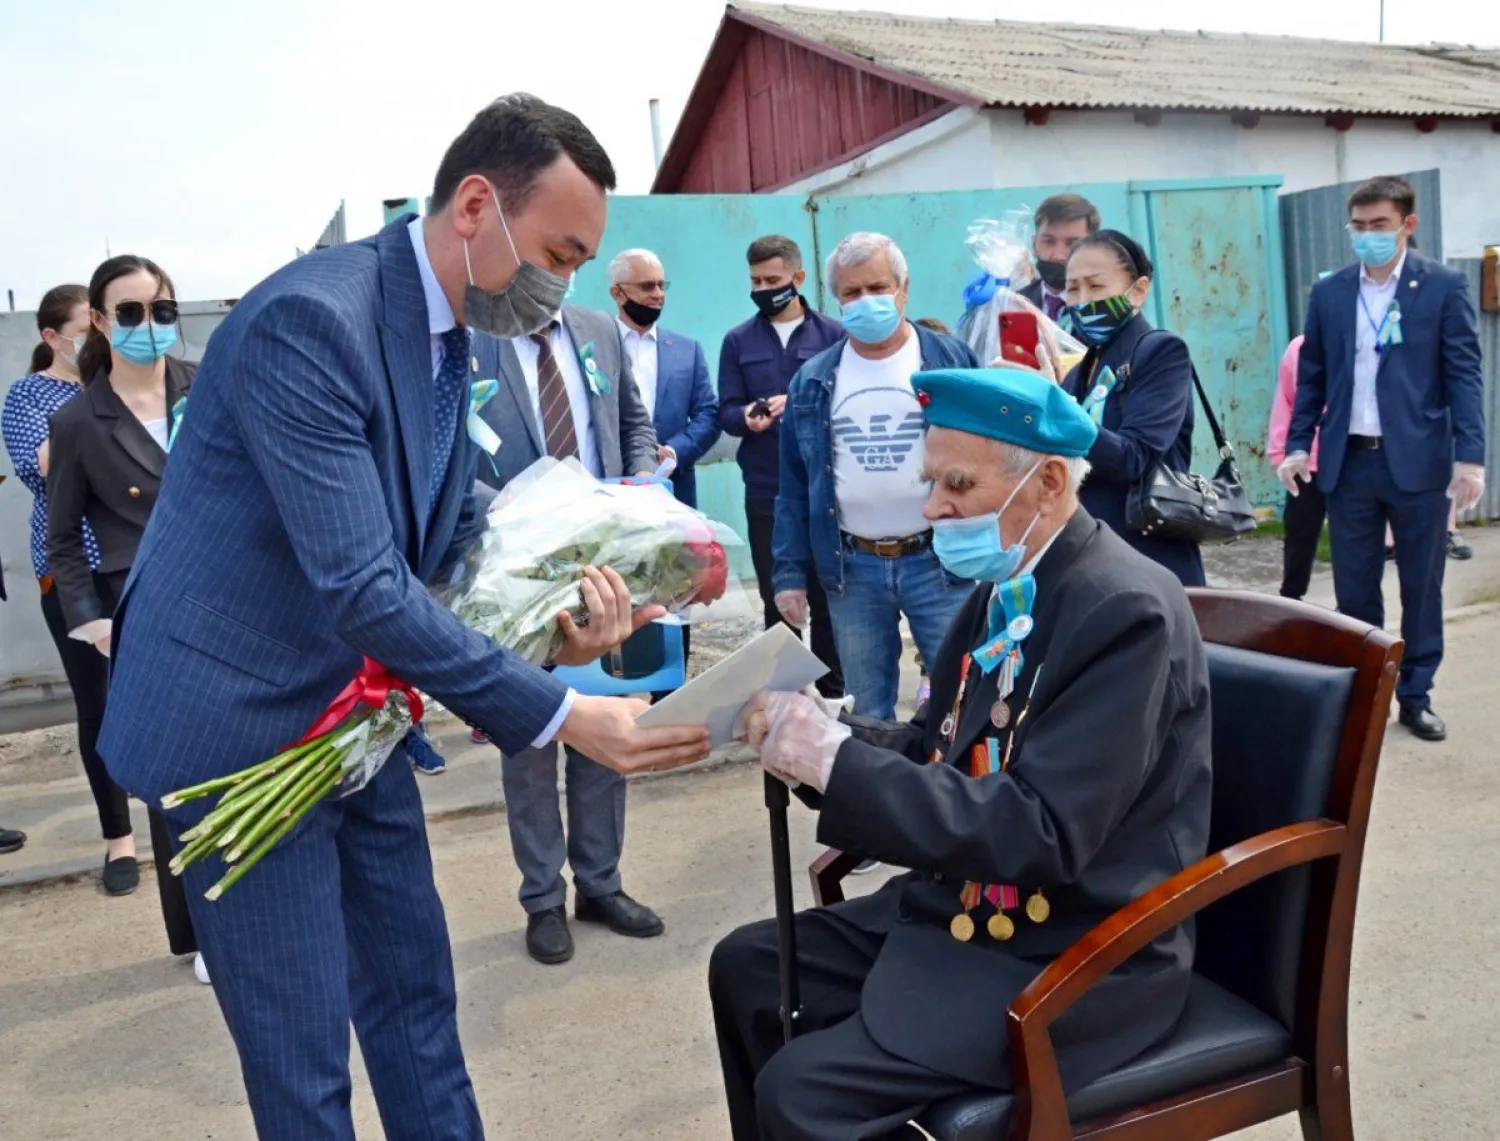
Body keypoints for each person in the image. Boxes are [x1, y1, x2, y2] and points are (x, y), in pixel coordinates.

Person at [96, 95, 711, 1141]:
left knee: (416, 1003)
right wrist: (561, 713)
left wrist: (563, 613)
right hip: (238, 736)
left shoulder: (444, 330)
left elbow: (454, 525)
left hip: (350, 722)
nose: (563, 287)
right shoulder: (313, 322)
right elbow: (365, 585)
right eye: (559, 253)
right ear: (478, 205)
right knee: (303, 1061)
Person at [712, 365, 1212, 1139]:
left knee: (800, 1092)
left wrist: (836, 763)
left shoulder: (1124, 609)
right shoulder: (1008, 586)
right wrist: (826, 733)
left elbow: (1041, 829)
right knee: (746, 967)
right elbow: (934, 747)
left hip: (1074, 946)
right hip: (978, 905)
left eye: (956, 483)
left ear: (1047, 481)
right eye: (930, 481)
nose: (933, 506)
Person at [473, 285, 665, 966]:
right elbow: (450, 459)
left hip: (610, 567)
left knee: (606, 727)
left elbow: (634, 423)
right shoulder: (473, 337)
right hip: (519, 572)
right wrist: (531, 518)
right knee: (528, 736)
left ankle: (601, 883)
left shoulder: (598, 331)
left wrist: (642, 481)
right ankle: (542, 898)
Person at [42, 257, 205, 984]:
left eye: (162, 310)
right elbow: (61, 534)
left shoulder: (207, 385)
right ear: (102, 324)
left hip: (233, 601)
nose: (149, 327)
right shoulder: (79, 419)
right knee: (176, 780)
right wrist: (93, 621)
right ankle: (201, 931)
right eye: (131, 313)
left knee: (246, 759)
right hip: (144, 615)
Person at [1281, 175, 1485, 743]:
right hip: (1351, 465)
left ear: (1407, 225)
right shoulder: (1331, 293)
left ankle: (1415, 696)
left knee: (1422, 585)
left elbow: (1464, 374)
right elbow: (1313, 376)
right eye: (1359, 227)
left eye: (1380, 226)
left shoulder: (1441, 286)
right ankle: (1366, 695)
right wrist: (1299, 444)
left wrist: (1470, 457)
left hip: (1419, 464)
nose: (1368, 236)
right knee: (1354, 591)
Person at [775, 233, 979, 720]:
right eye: (852, 293)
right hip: (853, 569)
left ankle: (960, 795)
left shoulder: (950, 361)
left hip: (941, 562)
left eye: (878, 287)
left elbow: (989, 459)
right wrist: (788, 574)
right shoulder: (813, 381)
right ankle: (883, 797)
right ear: (835, 299)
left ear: (903, 288)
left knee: (964, 698)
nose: (866, 301)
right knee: (866, 709)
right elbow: (793, 487)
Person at [3, 285, 128, 887]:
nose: (98, 337)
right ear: (53, 337)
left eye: (100, 324)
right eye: (87, 327)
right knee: (98, 704)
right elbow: (46, 465)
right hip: (72, 566)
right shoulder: (29, 395)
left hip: (137, 562)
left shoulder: (124, 382)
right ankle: (118, 840)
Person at [718, 234, 844, 699]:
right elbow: (725, 411)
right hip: (768, 491)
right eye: (755, 280)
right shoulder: (738, 341)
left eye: (773, 279)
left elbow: (847, 404)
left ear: (798, 278)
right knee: (780, 602)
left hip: (826, 490)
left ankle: (834, 699)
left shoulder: (835, 336)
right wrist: (749, 418)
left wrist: (804, 405)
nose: (764, 288)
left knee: (831, 597)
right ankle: (788, 700)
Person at [1060, 229, 1205, 586]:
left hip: (1147, 556)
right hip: (1089, 553)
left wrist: (1055, 410)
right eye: (1072, 288)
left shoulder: (1161, 352)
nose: (1082, 301)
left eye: (1095, 287)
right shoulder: (1081, 368)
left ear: (1138, 290)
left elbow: (1135, 456)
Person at [1267, 333, 1323, 600]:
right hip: (1305, 463)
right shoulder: (1298, 349)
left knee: (1353, 543)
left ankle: (1352, 611)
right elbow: (1286, 401)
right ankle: (1291, 599)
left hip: (1349, 462)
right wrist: (1279, 453)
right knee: (1299, 534)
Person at [1018, 193, 1101, 323]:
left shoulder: (1105, 308)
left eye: (1073, 244)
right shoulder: (1015, 303)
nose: (1058, 256)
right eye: (1048, 241)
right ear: (1034, 244)